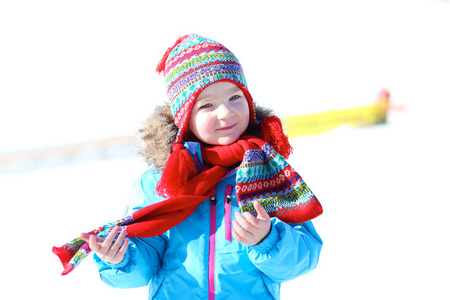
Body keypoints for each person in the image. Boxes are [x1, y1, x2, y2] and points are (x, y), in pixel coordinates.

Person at [80, 34, 323, 300]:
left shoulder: (267, 171)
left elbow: (305, 256)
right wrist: (121, 259)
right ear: (184, 117)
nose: (225, 112)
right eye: (207, 104)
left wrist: (268, 240)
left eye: (235, 97)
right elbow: (146, 259)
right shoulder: (157, 183)